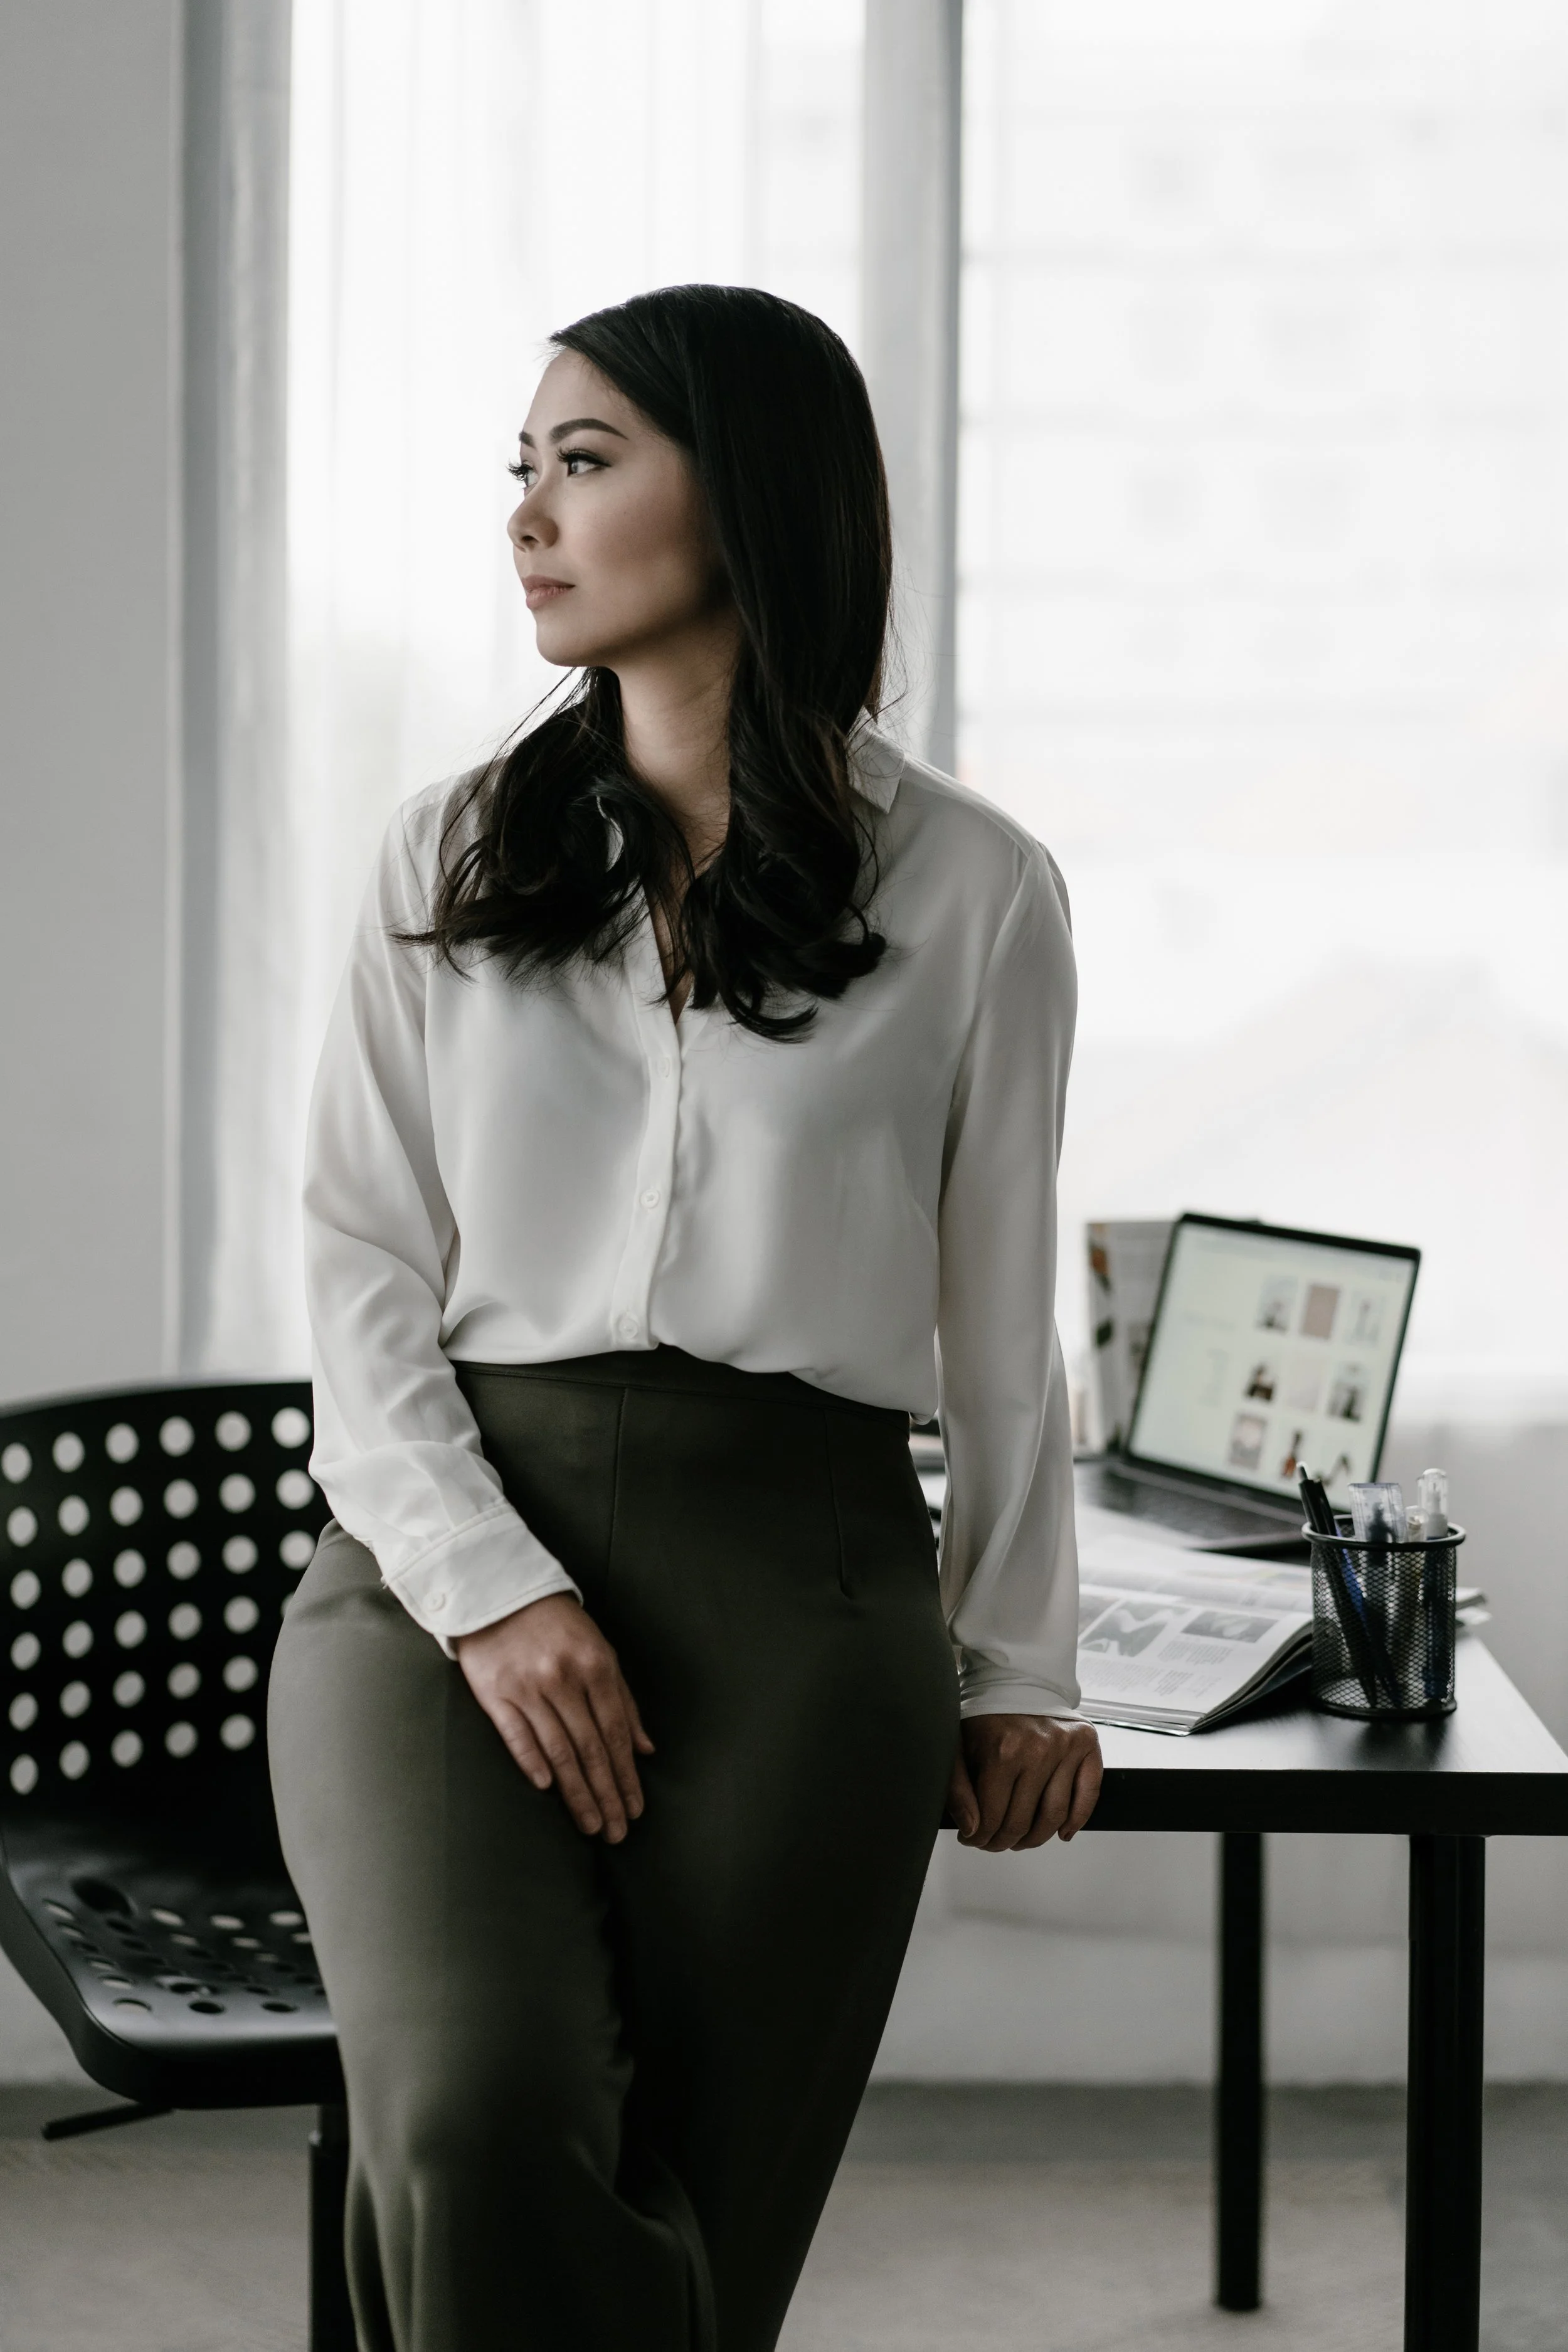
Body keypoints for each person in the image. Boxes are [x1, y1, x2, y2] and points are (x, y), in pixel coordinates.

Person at [268, 281, 1100, 2352]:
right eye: (521, 471)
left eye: (586, 460)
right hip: (448, 1558)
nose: (528, 518)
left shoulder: (978, 891)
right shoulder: (446, 853)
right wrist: (483, 1583)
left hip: (806, 1586)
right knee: (470, 2124)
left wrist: (1019, 1660)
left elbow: (998, 1322)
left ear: (749, 496)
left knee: (701, 2231)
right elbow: (359, 1261)